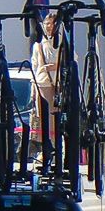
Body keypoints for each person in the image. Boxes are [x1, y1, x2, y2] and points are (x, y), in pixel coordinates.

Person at [30, 10, 62, 156]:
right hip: (43, 84)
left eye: (52, 23)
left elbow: (72, 60)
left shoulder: (62, 42)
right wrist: (33, 89)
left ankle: (58, 147)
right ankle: (46, 149)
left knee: (58, 118)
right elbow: (35, 67)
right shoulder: (39, 46)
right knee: (44, 118)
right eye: (47, 23)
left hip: (59, 84)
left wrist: (55, 66)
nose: (49, 26)